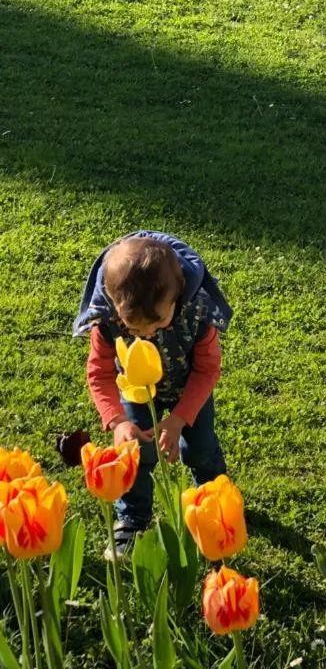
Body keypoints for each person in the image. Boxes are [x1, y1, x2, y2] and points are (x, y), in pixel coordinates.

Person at [74, 230, 232, 557]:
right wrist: (117, 421)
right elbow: (99, 372)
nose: (146, 331)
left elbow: (207, 370)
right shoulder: (106, 322)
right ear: (115, 304)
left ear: (178, 297)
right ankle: (132, 518)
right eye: (134, 326)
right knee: (135, 453)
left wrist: (178, 420)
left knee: (200, 447)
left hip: (187, 386)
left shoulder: (196, 315)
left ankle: (214, 501)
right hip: (133, 389)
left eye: (157, 321)